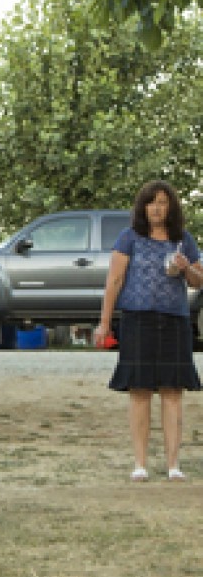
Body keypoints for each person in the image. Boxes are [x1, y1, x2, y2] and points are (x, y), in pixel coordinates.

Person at [95, 181, 203, 481]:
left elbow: (199, 281)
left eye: (163, 202)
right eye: (151, 202)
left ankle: (173, 465)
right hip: (137, 320)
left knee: (172, 391)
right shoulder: (129, 238)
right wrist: (104, 322)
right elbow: (114, 281)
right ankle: (140, 464)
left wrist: (186, 268)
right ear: (143, 207)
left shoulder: (184, 240)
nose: (157, 208)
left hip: (174, 321)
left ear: (171, 207)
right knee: (140, 391)